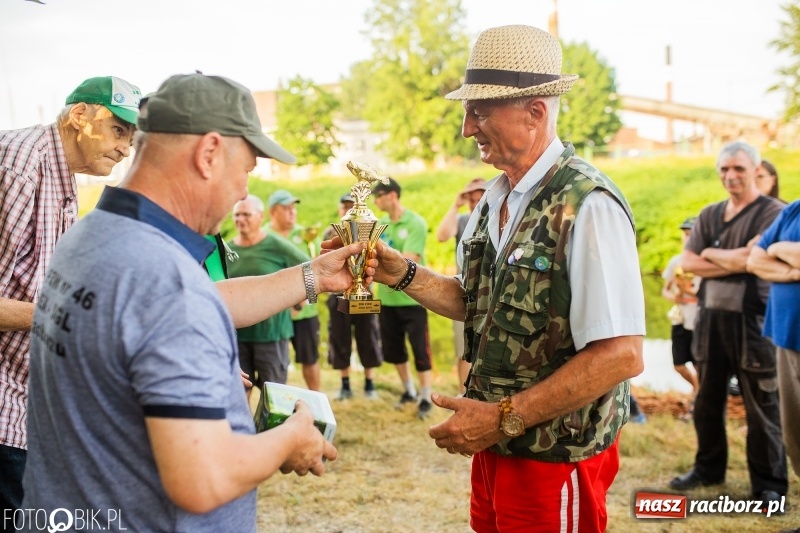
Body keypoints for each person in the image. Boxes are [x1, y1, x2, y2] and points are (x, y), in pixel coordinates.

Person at [21, 73, 372, 532]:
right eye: (246, 169)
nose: (245, 191)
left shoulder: (93, 234)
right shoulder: (165, 283)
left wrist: (314, 277)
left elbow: (192, 304)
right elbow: (202, 479)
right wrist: (291, 437)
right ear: (208, 154)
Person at [332, 25, 645, 532]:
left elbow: (622, 355)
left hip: (554, 456)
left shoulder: (588, 205)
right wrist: (400, 272)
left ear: (535, 112)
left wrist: (501, 416)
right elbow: (473, 301)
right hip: (497, 440)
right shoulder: (493, 200)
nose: (466, 128)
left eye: (480, 111)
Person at [0, 75, 140, 516]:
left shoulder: (64, 176)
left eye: (132, 138)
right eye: (118, 129)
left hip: (30, 404)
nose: (125, 148)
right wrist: (77, 319)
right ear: (79, 115)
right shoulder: (21, 166)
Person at [669, 141, 787, 507]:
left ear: (755, 170)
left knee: (762, 403)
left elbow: (757, 259)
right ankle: (707, 469)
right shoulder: (709, 213)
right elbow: (688, 261)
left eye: (738, 168)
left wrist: (711, 254)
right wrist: (734, 258)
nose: (730, 176)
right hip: (709, 319)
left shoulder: (772, 213)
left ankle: (768, 485)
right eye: (724, 169)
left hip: (754, 321)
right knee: (707, 400)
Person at [228, 194, 309, 388]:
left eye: (246, 215)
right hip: (238, 337)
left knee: (274, 395)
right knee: (238, 394)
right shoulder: (227, 250)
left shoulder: (275, 245)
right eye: (237, 215)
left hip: (272, 336)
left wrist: (298, 302)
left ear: (261, 216)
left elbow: (309, 267)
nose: (240, 220)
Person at [372, 177, 435, 420]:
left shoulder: (415, 222)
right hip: (387, 300)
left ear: (393, 195)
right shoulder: (379, 225)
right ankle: (408, 390)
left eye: (380, 195)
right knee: (394, 349)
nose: (376, 200)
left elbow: (408, 261)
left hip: (413, 300)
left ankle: (426, 396)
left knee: (421, 349)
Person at [747, 199, 800, 478]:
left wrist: (778, 249)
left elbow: (768, 252)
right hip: (785, 335)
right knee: (795, 435)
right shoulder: (794, 210)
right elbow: (755, 259)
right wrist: (792, 271)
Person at [324, 193, 384, 400]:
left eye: (352, 206)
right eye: (345, 207)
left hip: (364, 293)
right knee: (340, 337)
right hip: (337, 294)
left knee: (368, 336)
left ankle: (369, 384)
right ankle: (345, 384)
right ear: (340, 210)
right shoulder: (332, 232)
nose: (348, 209)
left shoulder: (368, 231)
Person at [436, 177, 487, 395]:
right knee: (463, 348)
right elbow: (441, 235)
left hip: (488, 293)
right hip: (464, 293)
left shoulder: (496, 218)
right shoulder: (464, 220)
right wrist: (456, 205)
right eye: (471, 200)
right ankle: (462, 394)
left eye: (479, 199)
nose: (474, 204)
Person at [267, 189, 322, 391]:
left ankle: (317, 404)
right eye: (286, 208)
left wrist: (302, 303)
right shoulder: (263, 236)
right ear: (273, 212)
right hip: (274, 313)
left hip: (305, 312)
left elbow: (318, 271)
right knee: (275, 362)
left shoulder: (306, 235)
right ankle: (277, 406)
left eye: (293, 208)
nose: (292, 212)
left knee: (309, 358)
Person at [661, 217, 701, 399]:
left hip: (699, 319)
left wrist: (689, 292)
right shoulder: (675, 261)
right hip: (680, 317)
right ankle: (697, 389)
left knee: (699, 363)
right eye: (685, 235)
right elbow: (665, 290)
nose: (688, 238)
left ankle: (698, 398)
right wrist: (674, 296)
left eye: (691, 234)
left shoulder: (705, 261)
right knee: (679, 364)